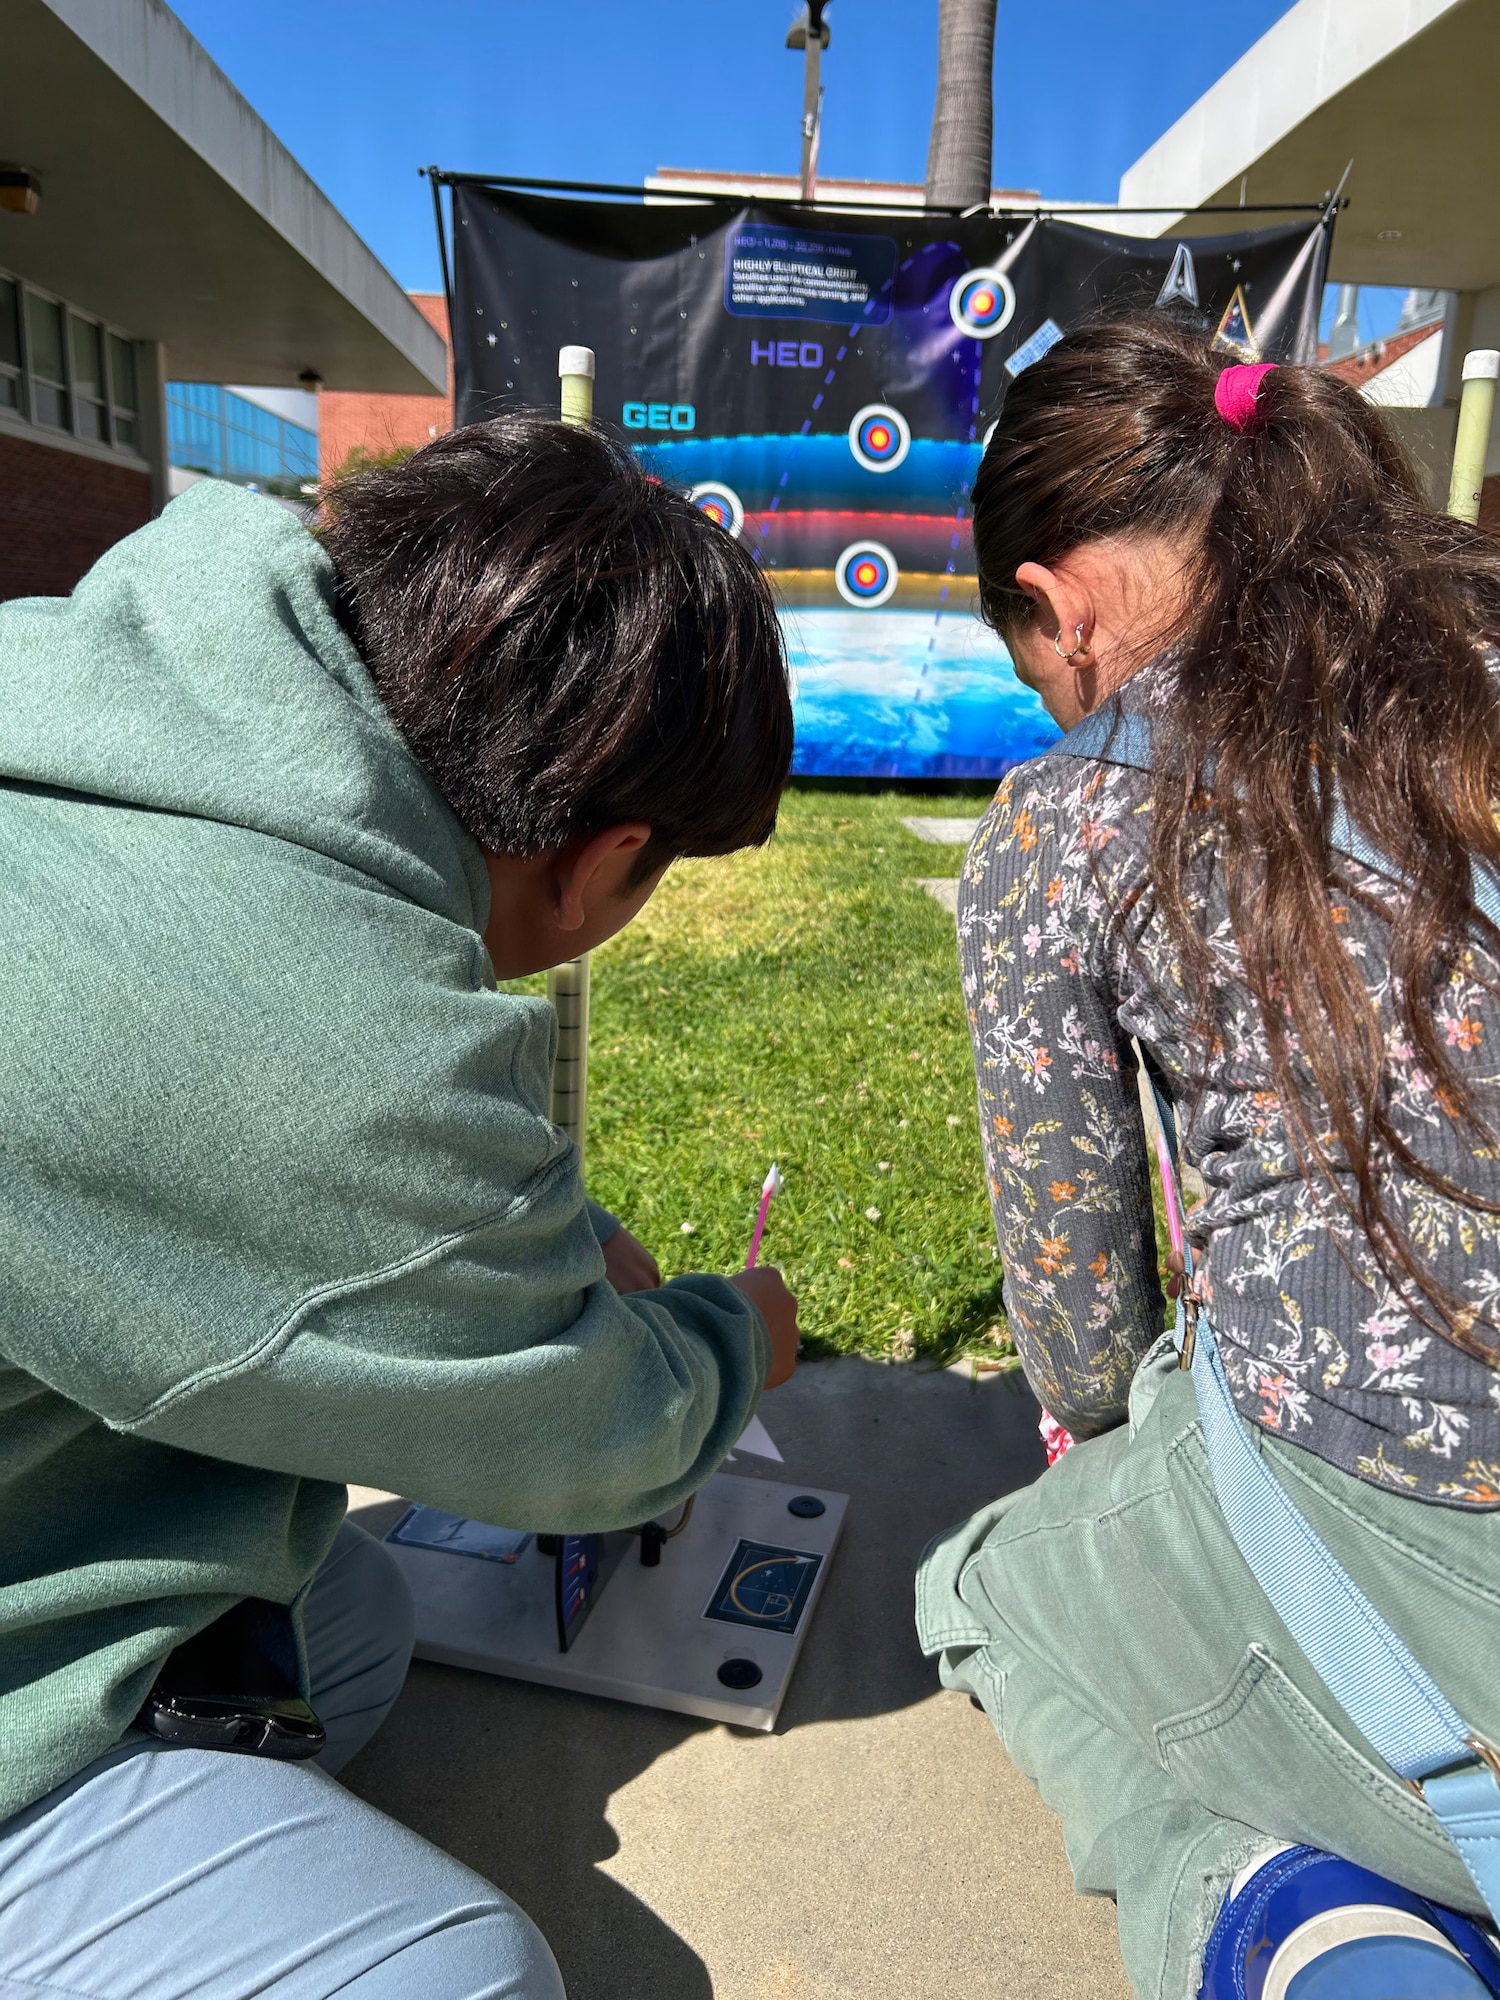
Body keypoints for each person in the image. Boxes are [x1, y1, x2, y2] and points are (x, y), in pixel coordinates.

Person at [0, 416, 800, 1998]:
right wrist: (736, 1342)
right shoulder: (322, 1039)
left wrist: (541, 1248)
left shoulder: (86, 694)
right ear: (608, 860)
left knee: (344, 1618)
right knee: (464, 1972)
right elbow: (596, 1433)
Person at [916, 312, 1500, 1999]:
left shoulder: (1069, 823)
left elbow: (1081, 1343)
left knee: (987, 1586)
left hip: (1422, 1542)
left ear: (1063, 605)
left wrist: (1108, 1448)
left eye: (1039, 669)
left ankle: (1288, 1915)